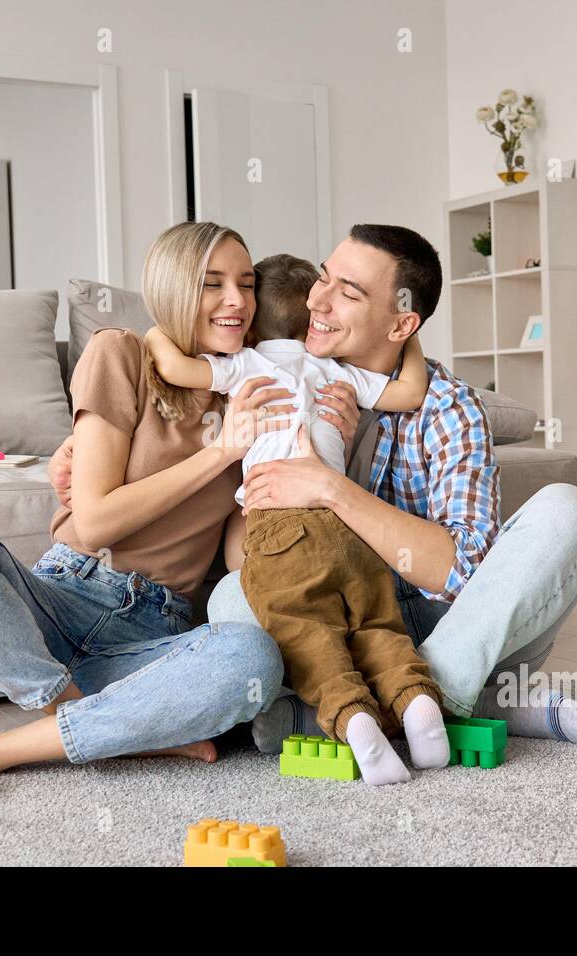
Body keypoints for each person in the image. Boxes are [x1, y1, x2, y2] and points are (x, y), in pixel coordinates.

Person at [0, 221, 318, 782]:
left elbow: (242, 558)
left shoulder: (254, 392)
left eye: (247, 284)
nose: (236, 301)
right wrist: (221, 452)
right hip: (63, 596)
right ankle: (100, 724)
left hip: (154, 633)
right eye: (211, 283)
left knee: (250, 658)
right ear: (172, 289)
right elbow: (94, 522)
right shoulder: (119, 353)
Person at [202, 224, 577, 752]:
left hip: (454, 629)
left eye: (348, 293)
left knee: (569, 511)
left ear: (402, 324)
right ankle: (452, 707)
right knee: (230, 600)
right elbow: (247, 558)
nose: (317, 300)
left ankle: (396, 702)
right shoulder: (283, 384)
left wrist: (332, 487)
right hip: (335, 627)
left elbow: (460, 573)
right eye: (323, 278)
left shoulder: (449, 409)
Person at [145, 253, 446, 785]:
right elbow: (410, 390)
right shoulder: (339, 374)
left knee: (304, 629)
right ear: (314, 320)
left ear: (254, 324)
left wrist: (151, 335)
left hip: (279, 522)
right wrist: (410, 336)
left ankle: (350, 715)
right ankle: (416, 700)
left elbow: (175, 368)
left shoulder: (247, 365)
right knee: (374, 621)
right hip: (348, 518)